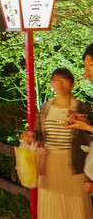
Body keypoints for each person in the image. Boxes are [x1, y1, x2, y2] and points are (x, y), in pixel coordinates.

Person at [22, 68, 93, 219]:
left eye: (64, 80)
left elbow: (89, 141)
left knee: (76, 209)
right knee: (52, 209)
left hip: (75, 165)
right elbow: (37, 132)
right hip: (49, 163)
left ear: (72, 85)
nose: (59, 83)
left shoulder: (82, 107)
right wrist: (30, 134)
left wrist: (89, 178)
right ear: (51, 84)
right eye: (56, 80)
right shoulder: (46, 107)